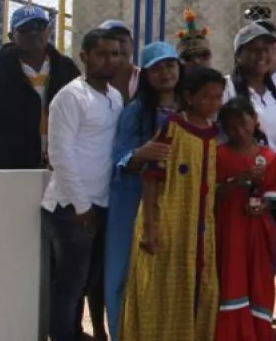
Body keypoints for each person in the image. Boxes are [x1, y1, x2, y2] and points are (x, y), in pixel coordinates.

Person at [119, 66, 225, 341]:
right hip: (169, 222)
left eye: (218, 97)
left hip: (200, 229)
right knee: (161, 289)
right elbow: (152, 178)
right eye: (206, 97)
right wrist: (151, 227)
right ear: (189, 97)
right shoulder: (172, 128)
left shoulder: (217, 134)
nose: (213, 103)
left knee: (199, 289)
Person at [41, 28, 124, 341]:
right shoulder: (70, 97)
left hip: (100, 203)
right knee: (70, 283)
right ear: (85, 56)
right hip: (71, 207)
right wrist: (80, 204)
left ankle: (76, 332)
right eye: (102, 54)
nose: (110, 60)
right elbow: (60, 154)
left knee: (89, 279)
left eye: (115, 54)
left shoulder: (114, 97)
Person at [105, 42, 181, 341]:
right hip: (132, 197)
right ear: (146, 75)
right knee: (124, 270)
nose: (165, 73)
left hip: (174, 198)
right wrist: (141, 153)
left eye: (170, 65)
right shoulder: (136, 111)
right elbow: (119, 158)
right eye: (157, 68)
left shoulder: (189, 106)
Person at [0, 4, 80, 170]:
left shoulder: (67, 69)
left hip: (61, 168)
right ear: (11, 36)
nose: (33, 33)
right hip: (9, 172)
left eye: (39, 26)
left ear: (49, 31)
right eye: (25, 29)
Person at [214, 97, 276, 341]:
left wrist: (263, 204)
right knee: (231, 276)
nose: (239, 132)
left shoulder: (268, 156)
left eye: (243, 124)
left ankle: (258, 332)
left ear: (255, 121)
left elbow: (275, 195)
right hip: (229, 229)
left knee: (259, 279)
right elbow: (213, 192)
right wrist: (238, 181)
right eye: (232, 127)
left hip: (258, 232)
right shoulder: (219, 156)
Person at [225, 23, 276, 154]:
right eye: (253, 49)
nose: (261, 54)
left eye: (266, 49)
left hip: (274, 168)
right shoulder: (226, 88)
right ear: (238, 56)